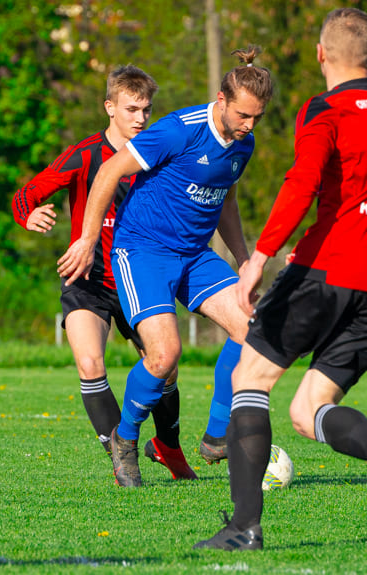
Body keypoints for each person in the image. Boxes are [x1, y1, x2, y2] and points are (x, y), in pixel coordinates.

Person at [194, 8, 367, 551]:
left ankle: (244, 528)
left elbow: (302, 181)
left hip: (331, 270)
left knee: (249, 377)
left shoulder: (328, 108)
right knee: (307, 409)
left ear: (322, 55)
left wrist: (259, 257)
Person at [56, 47, 274, 488]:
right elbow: (108, 172)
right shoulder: (178, 130)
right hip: (143, 250)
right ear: (221, 99)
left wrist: (244, 258)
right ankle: (126, 438)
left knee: (255, 331)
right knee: (164, 355)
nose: (249, 127)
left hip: (195, 253)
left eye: (258, 118)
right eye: (243, 116)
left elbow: (226, 198)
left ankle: (217, 433)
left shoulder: (242, 144)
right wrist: (87, 236)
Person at [12, 65, 197, 482]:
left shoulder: (159, 154)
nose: (141, 118)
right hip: (88, 278)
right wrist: (29, 216)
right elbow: (26, 194)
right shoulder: (84, 156)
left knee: (165, 366)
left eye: (146, 110)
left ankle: (168, 447)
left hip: (139, 277)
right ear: (109, 107)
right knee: (90, 361)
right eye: (131, 109)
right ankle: (121, 454)